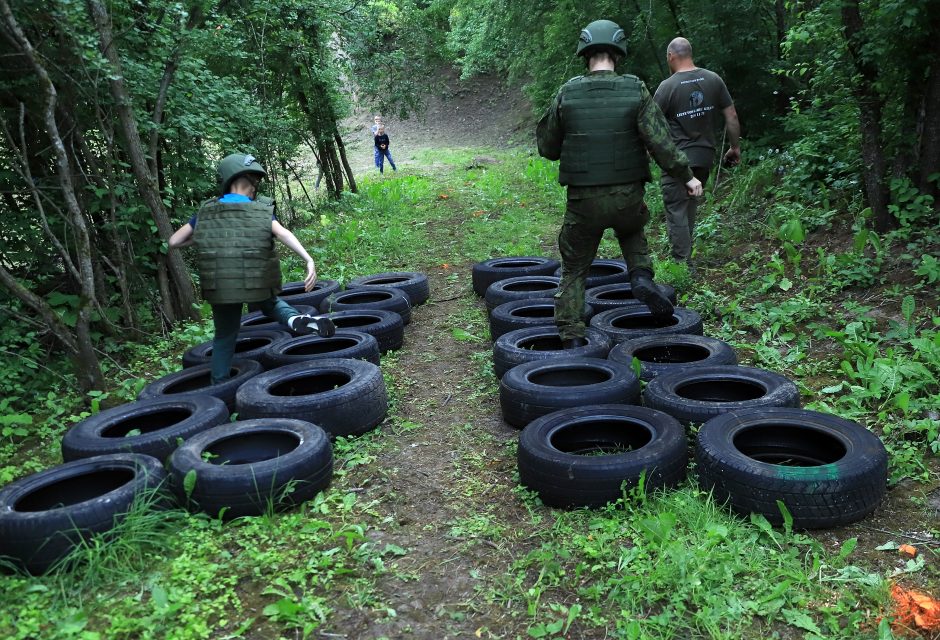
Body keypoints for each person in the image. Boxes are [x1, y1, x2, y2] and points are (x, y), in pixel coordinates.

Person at [537, 19, 702, 349]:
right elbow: (661, 143)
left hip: (584, 202)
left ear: (584, 52)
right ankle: (640, 276)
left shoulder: (567, 93)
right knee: (632, 227)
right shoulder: (635, 89)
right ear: (618, 52)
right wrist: (688, 177)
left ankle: (572, 336)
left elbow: (548, 148)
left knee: (574, 269)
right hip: (628, 196)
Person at [168, 153, 335, 383]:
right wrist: (308, 259)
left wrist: (206, 237)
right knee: (271, 303)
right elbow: (282, 233)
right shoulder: (260, 209)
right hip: (256, 280)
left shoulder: (205, 212)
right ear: (251, 183)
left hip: (222, 287)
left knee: (225, 336)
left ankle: (219, 386)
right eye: (255, 183)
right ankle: (294, 320)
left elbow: (174, 242)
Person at [654, 37, 740, 264]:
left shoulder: (667, 87)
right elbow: (731, 115)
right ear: (690, 53)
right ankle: (685, 255)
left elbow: (651, 127)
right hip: (704, 156)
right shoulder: (713, 79)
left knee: (676, 209)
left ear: (671, 56)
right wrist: (735, 147)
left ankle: (682, 264)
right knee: (689, 203)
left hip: (678, 159)